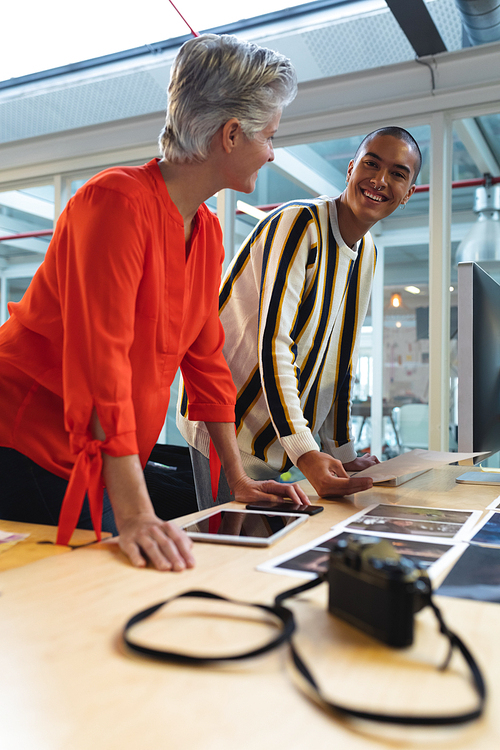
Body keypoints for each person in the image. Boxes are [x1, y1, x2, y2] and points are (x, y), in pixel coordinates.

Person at [0, 34, 308, 572]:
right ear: (231, 135)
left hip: (100, 453)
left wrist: (236, 479)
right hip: (27, 440)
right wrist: (135, 511)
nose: (273, 151)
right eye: (269, 136)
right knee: (95, 583)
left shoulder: (208, 229)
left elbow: (207, 360)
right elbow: (102, 367)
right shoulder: (115, 202)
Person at [179, 126, 422, 507]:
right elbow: (273, 345)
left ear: (408, 193)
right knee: (228, 553)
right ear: (350, 169)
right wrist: (306, 452)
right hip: (228, 426)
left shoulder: (368, 252)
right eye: (371, 164)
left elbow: (339, 359)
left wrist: (341, 453)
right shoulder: (301, 225)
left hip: (276, 437)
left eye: (397, 173)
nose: (379, 180)